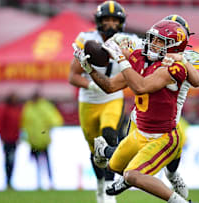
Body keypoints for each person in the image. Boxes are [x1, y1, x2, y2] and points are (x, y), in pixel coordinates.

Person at [73, 19, 199, 203]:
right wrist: (91, 69)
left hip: (164, 131)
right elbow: (110, 86)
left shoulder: (177, 64)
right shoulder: (142, 55)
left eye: (159, 41)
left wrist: (123, 59)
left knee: (134, 173)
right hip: (141, 124)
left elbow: (142, 86)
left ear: (176, 46)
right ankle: (113, 158)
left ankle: (172, 184)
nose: (152, 44)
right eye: (153, 39)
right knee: (114, 166)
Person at [69, 1, 140, 202]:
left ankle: (109, 188)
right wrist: (91, 85)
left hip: (112, 97)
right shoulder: (86, 39)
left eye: (114, 20)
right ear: (99, 21)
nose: (110, 24)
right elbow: (73, 76)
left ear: (122, 23)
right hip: (88, 101)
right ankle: (100, 184)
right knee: (95, 150)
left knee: (109, 134)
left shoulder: (129, 40)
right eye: (106, 20)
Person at [21, 91, 63, 190]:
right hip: (33, 141)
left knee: (46, 162)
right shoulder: (29, 107)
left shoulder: (41, 107)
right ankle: (39, 182)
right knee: (38, 163)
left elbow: (56, 121)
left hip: (43, 141)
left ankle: (49, 182)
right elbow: (23, 123)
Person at [0, 92, 22, 189]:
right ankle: (7, 179)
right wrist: (1, 137)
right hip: (7, 139)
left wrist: (19, 137)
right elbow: (0, 124)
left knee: (12, 160)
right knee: (8, 159)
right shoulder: (5, 109)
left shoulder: (17, 109)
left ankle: (10, 179)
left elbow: (19, 125)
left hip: (14, 139)